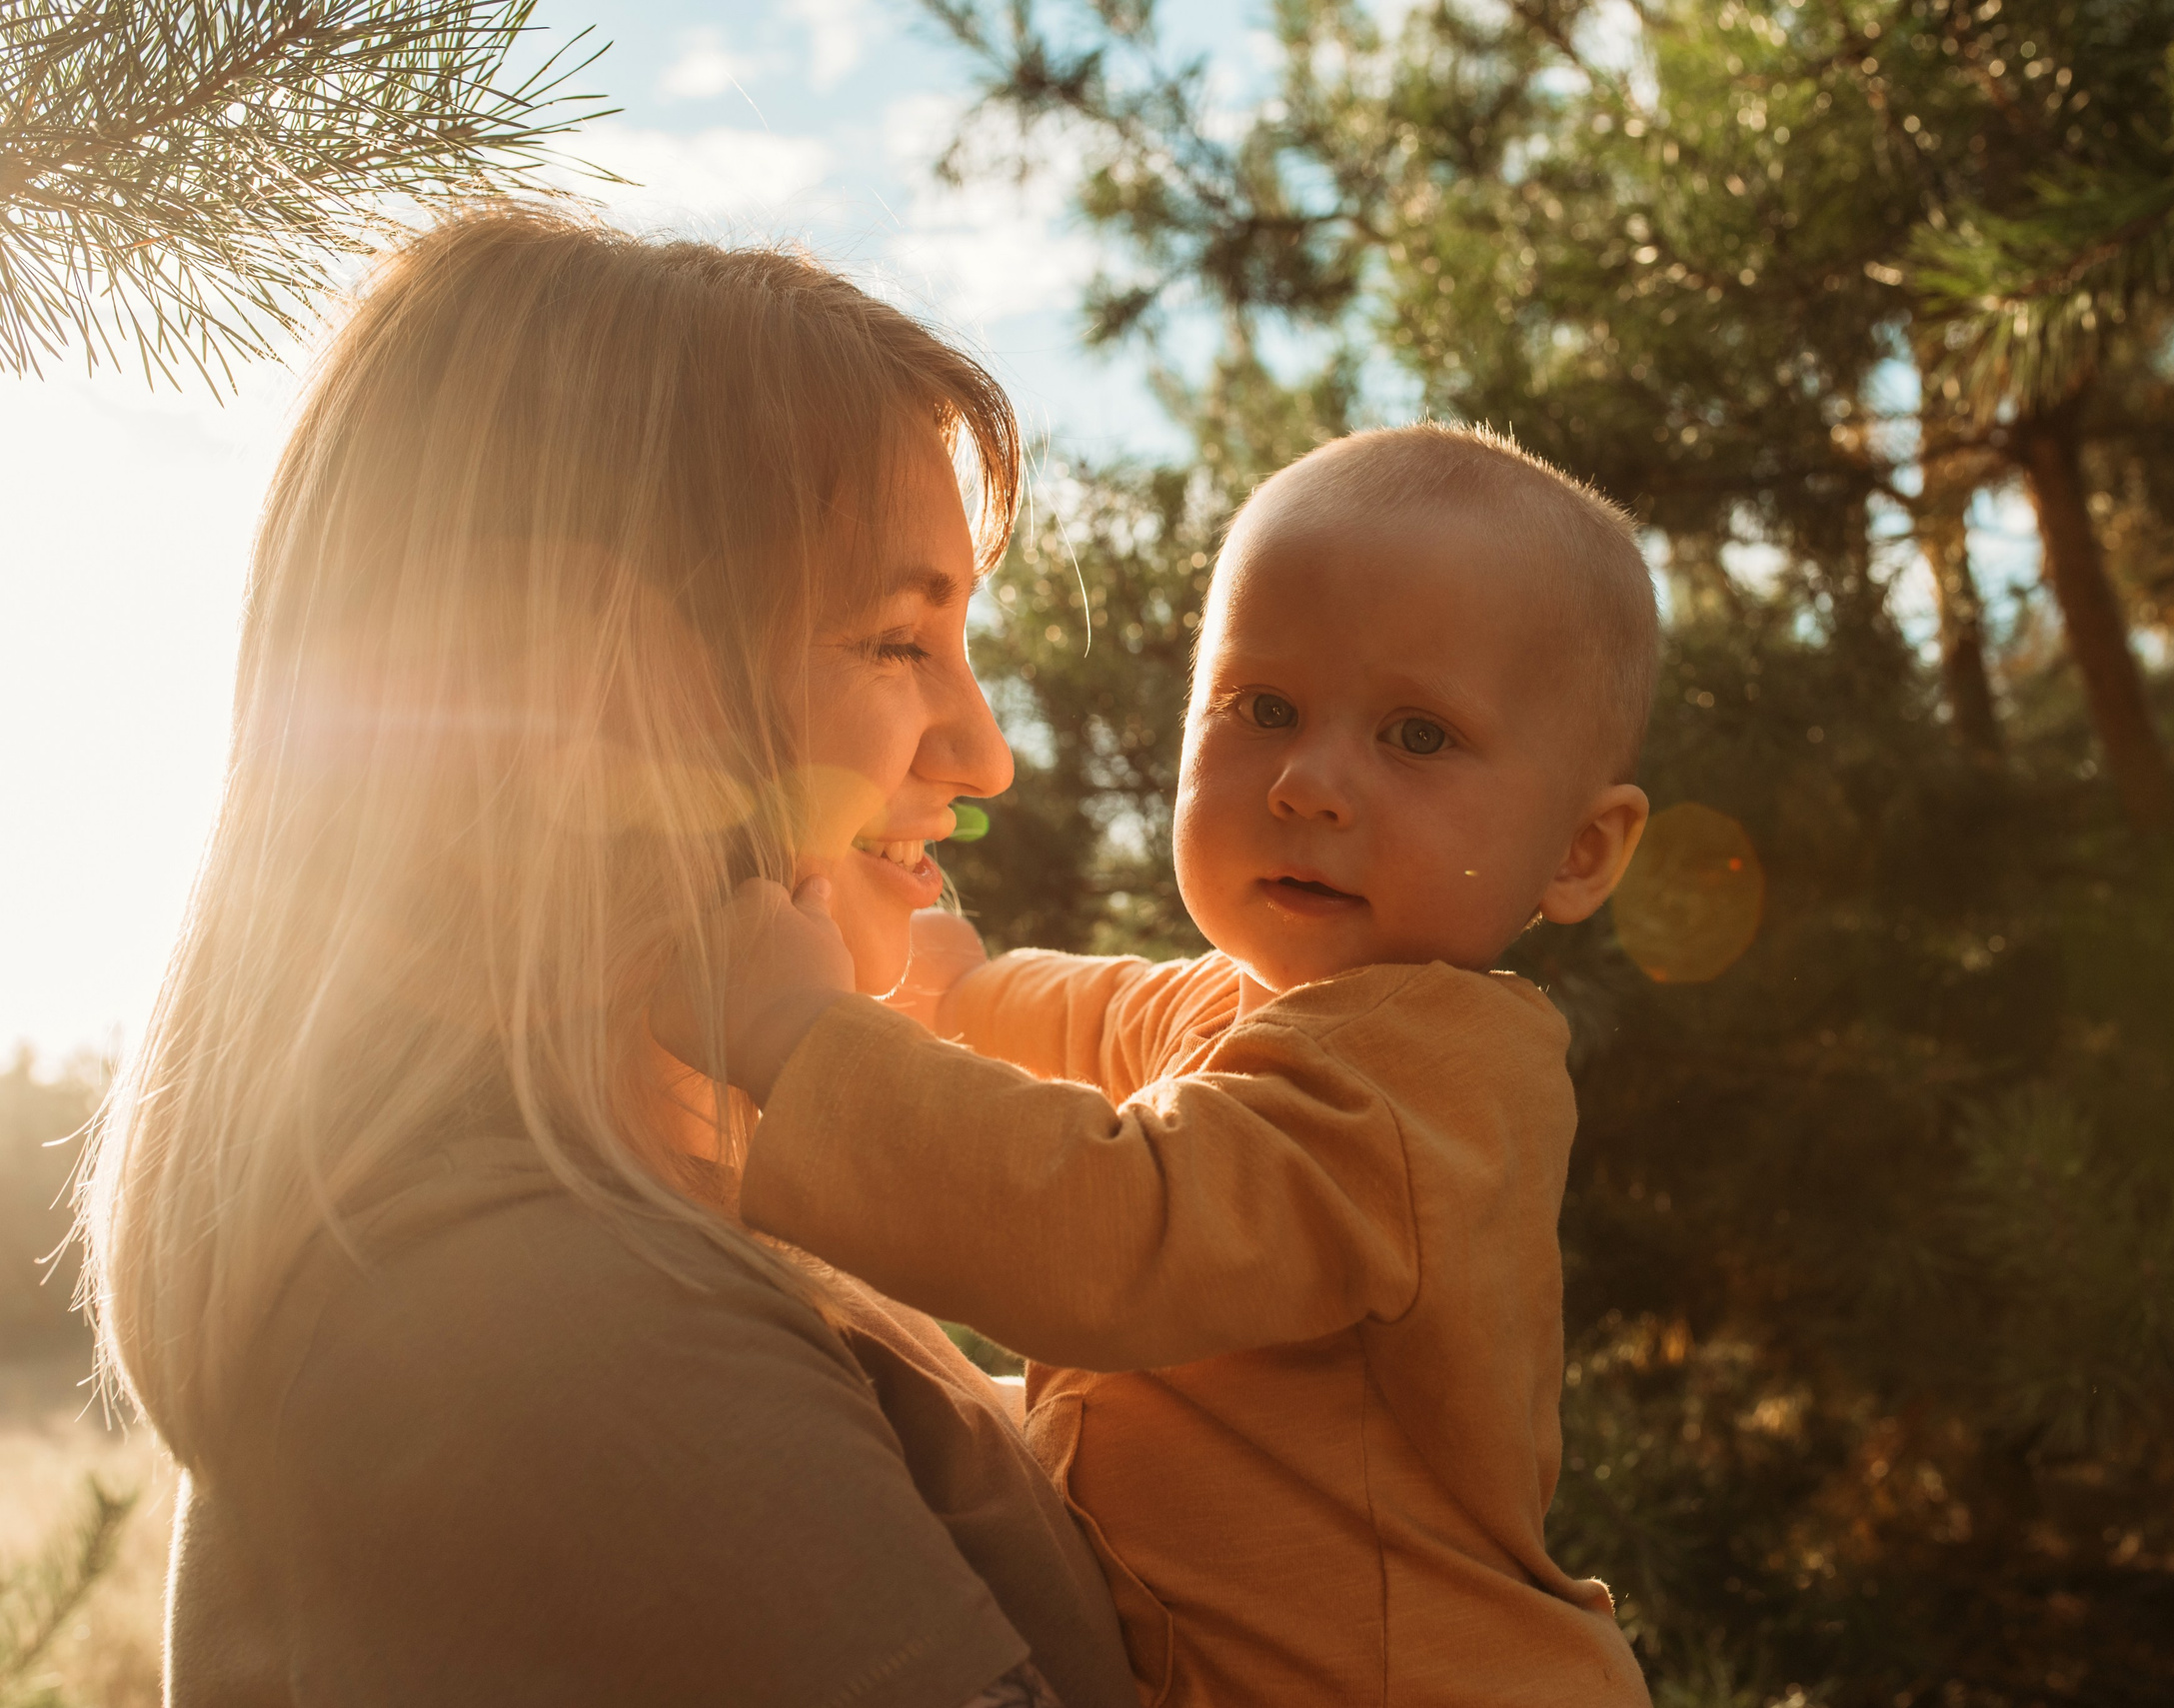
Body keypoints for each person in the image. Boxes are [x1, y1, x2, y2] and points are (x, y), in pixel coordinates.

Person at [76, 207, 1138, 1708]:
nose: (985, 751)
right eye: (901, 644)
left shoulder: (578, 1278)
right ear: (574, 696)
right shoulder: (549, 1331)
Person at [661, 424, 1661, 1705]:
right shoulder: (1259, 1013)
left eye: (1416, 735)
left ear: (1579, 849)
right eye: (1264, 708)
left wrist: (798, 1038)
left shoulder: (1437, 1077)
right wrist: (952, 989)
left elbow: (1111, 1226)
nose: (1308, 782)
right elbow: (1092, 1018)